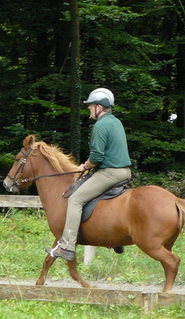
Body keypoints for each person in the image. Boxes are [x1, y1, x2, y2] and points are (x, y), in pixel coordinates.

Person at [47, 87, 132, 261]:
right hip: (125, 172)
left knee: (75, 199)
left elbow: (97, 156)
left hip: (109, 173)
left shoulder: (100, 126)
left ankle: (67, 246)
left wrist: (84, 166)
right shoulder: (116, 122)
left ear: (99, 107)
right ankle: (117, 238)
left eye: (91, 105)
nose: (89, 108)